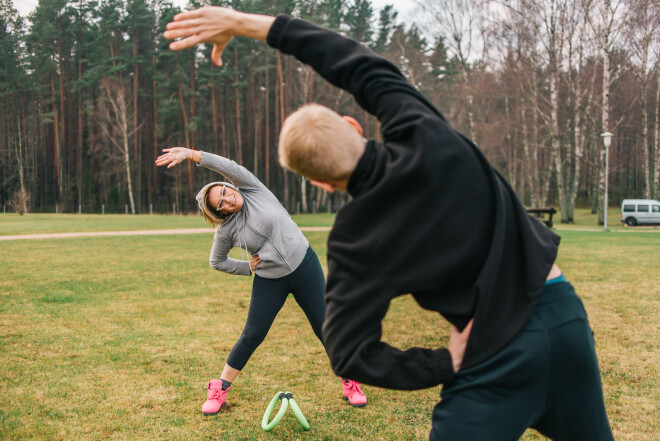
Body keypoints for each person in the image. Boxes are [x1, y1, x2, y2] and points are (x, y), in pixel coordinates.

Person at [164, 8, 614, 440]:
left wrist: (445, 363)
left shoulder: (356, 238)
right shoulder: (423, 129)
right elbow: (350, 59)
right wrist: (244, 23)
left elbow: (349, 350)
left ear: (320, 183)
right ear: (353, 125)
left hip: (490, 351)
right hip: (564, 317)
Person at [155, 147, 367, 414]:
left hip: (304, 265)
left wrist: (191, 154)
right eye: (220, 203)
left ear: (227, 185)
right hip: (270, 279)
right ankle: (219, 389)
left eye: (223, 191)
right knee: (252, 335)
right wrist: (247, 267)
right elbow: (216, 261)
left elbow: (227, 165)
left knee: (326, 326)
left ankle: (351, 381)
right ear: (220, 213)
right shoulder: (226, 231)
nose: (227, 198)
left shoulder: (252, 189)